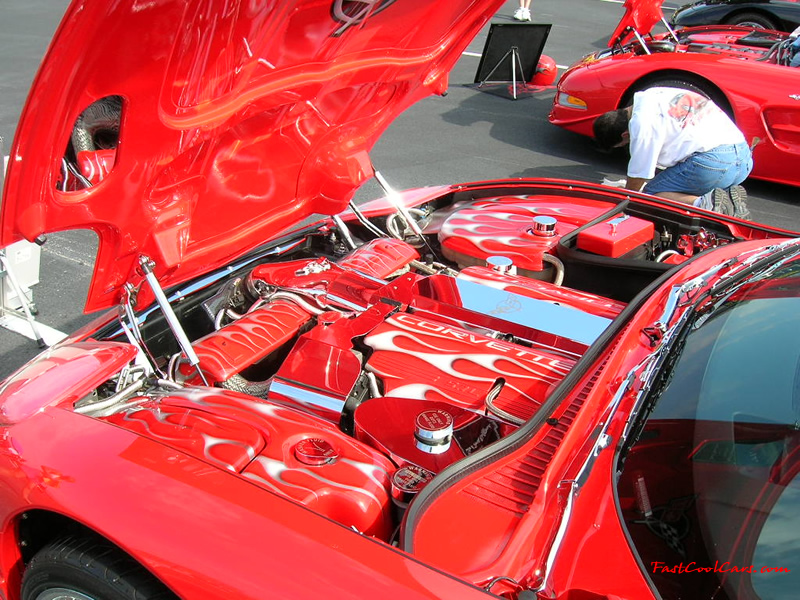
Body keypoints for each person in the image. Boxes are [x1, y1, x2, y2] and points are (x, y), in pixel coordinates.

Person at [593, 87, 752, 219]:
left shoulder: (642, 126)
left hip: (713, 165)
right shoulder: (652, 94)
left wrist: (624, 204)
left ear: (625, 135)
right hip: (743, 157)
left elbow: (638, 177)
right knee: (671, 182)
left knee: (650, 195)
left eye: (625, 144)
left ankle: (704, 204)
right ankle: (728, 202)